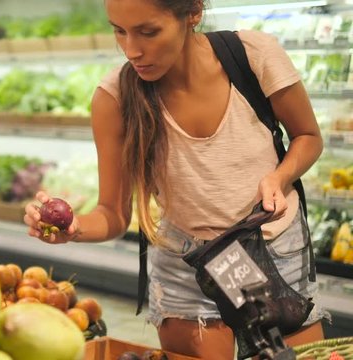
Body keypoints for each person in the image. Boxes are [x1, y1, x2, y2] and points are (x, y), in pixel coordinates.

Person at [23, 0, 327, 358]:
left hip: (273, 252)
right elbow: (113, 213)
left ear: (193, 13)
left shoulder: (253, 55)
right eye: (119, 30)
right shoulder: (115, 99)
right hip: (187, 265)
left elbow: (308, 136)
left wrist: (280, 176)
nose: (131, 50)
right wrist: (74, 228)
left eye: (148, 31)